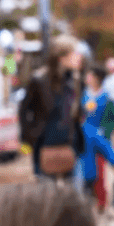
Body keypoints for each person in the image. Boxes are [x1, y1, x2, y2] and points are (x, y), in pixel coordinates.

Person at [19, 36, 85, 183]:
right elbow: (24, 111)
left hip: (71, 147)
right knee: (47, 199)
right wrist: (32, 137)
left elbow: (76, 113)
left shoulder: (74, 80)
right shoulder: (39, 80)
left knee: (74, 199)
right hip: (45, 147)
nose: (79, 57)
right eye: (75, 53)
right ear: (62, 57)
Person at [80, 66, 114, 211]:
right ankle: (87, 197)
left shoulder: (106, 97)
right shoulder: (83, 95)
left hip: (100, 138)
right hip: (84, 139)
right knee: (85, 168)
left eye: (89, 75)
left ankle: (101, 201)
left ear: (97, 78)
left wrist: (105, 132)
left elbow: (113, 119)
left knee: (100, 171)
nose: (87, 78)